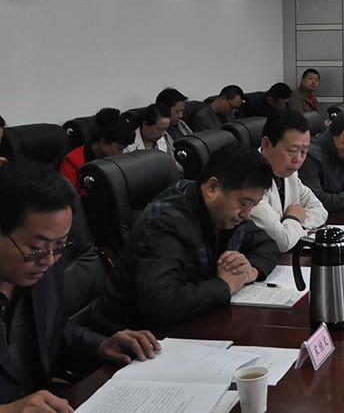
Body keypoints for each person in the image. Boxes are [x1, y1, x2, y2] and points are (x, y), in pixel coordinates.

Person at [0, 161, 159, 408]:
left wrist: (100, 346)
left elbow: (54, 330)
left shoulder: (43, 265)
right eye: (36, 247)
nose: (49, 260)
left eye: (60, 245)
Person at [89, 144, 279, 333]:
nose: (247, 214)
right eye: (244, 203)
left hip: (193, 320)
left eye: (253, 205)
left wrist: (249, 272)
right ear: (212, 187)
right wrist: (226, 284)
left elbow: (267, 244)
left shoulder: (225, 214)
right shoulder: (165, 224)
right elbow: (161, 305)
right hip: (131, 335)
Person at [250, 111, 328, 252]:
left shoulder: (289, 173)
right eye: (292, 150)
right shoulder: (250, 181)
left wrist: (295, 228)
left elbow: (320, 210)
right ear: (266, 144)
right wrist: (294, 218)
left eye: (304, 152)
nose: (298, 159)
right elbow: (282, 241)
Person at [60, 108, 135, 194]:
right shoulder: (73, 161)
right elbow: (67, 197)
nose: (121, 154)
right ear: (104, 141)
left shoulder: (113, 161)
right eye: (119, 149)